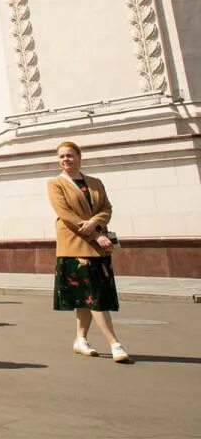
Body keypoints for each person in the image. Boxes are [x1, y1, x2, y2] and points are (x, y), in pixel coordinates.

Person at [48, 141, 130, 363]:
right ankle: (115, 344)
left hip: (98, 247)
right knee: (94, 297)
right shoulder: (55, 184)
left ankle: (80, 339)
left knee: (88, 297)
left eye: (69, 155)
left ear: (79, 157)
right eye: (61, 156)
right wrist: (95, 234)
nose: (65, 159)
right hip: (74, 246)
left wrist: (95, 223)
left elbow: (106, 208)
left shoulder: (95, 183)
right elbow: (66, 215)